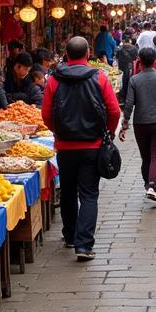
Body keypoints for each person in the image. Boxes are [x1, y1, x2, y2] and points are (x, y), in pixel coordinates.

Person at [42, 36, 121, 261]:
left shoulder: (54, 80)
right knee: (88, 194)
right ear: (88, 54)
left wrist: (57, 131)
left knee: (67, 191)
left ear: (66, 55)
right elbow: (114, 111)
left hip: (65, 146)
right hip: (92, 145)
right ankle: (83, 245)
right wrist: (109, 132)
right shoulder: (99, 77)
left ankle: (69, 235)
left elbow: (46, 114)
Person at [119, 47, 156, 201]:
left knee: (146, 157)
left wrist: (125, 124)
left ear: (139, 61)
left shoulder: (134, 79)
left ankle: (147, 184)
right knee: (155, 156)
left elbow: (129, 104)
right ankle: (151, 185)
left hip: (140, 123)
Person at [115, 29, 139, 103]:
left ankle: (123, 97)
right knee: (130, 82)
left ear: (123, 40)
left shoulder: (119, 48)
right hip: (131, 68)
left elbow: (116, 57)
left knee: (123, 82)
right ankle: (130, 98)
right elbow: (135, 58)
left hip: (121, 68)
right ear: (130, 40)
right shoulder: (134, 48)